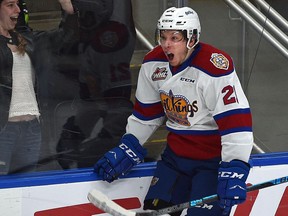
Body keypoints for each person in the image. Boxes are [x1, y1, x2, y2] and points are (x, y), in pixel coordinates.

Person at [93, 6, 254, 216]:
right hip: (175, 159)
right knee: (157, 210)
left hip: (211, 163)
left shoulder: (214, 67)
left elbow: (236, 123)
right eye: (163, 36)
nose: (167, 44)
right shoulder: (153, 63)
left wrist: (235, 168)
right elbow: (146, 115)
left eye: (175, 37)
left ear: (192, 39)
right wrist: (129, 145)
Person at [0, 0, 78, 175]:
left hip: (31, 128)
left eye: (18, 5)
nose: (18, 10)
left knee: (26, 188)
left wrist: (67, 10)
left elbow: (65, 37)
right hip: (4, 130)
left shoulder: (26, 39)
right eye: (10, 5)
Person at [56, 0, 136, 169]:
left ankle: (92, 152)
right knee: (87, 118)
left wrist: (69, 3)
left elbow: (100, 8)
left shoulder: (110, 27)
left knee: (109, 127)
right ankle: (76, 147)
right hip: (100, 59)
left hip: (110, 68)